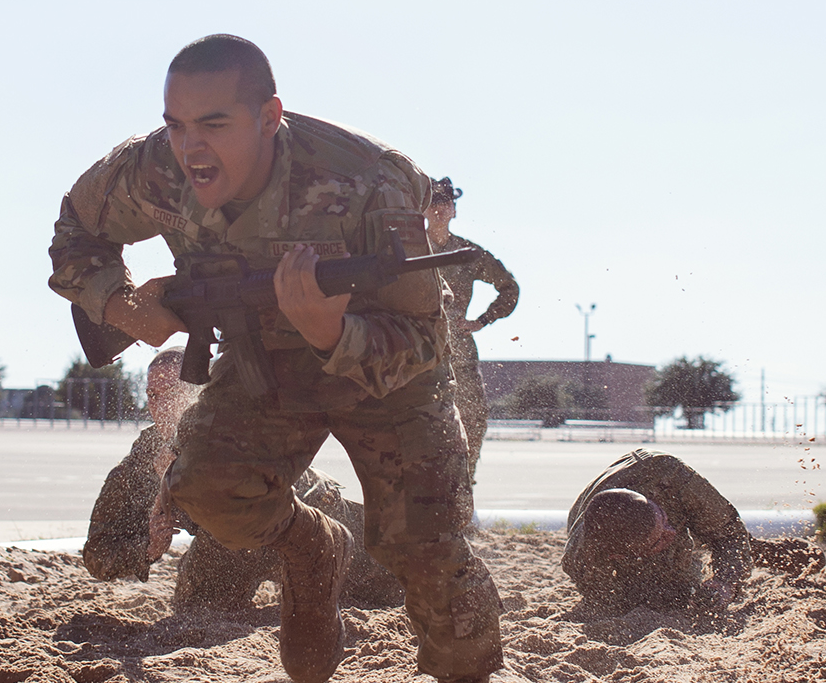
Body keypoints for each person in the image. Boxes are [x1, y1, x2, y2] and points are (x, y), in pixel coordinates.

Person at [48, 35, 503, 683]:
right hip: (262, 361)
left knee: (429, 554)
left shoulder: (371, 179)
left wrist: (331, 331)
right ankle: (312, 547)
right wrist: (123, 307)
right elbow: (76, 236)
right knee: (206, 489)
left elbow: (422, 338)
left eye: (214, 125)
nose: (191, 149)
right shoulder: (151, 170)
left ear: (270, 118)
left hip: (391, 380)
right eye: (176, 126)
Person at [82, 347, 404, 611]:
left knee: (398, 586)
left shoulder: (233, 425)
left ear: (198, 392)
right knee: (194, 610)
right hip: (228, 544)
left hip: (308, 515)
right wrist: (147, 549)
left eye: (172, 392)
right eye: (152, 394)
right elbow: (97, 553)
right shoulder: (145, 457)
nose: (160, 405)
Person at [561, 448, 824, 616]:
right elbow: (611, 602)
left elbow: (728, 531)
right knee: (664, 594)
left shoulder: (672, 476)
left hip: (669, 496)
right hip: (618, 537)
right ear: (619, 556)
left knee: (722, 540)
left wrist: (725, 582)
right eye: (659, 540)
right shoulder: (582, 558)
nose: (671, 533)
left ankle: (757, 551)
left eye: (663, 522)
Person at [423, 177, 519, 485]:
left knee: (473, 421)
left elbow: (509, 288)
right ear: (423, 210)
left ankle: (463, 491)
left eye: (446, 204)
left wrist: (482, 320)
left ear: (454, 211)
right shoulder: (409, 249)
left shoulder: (468, 252)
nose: (440, 209)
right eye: (434, 204)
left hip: (459, 354)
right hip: (416, 352)